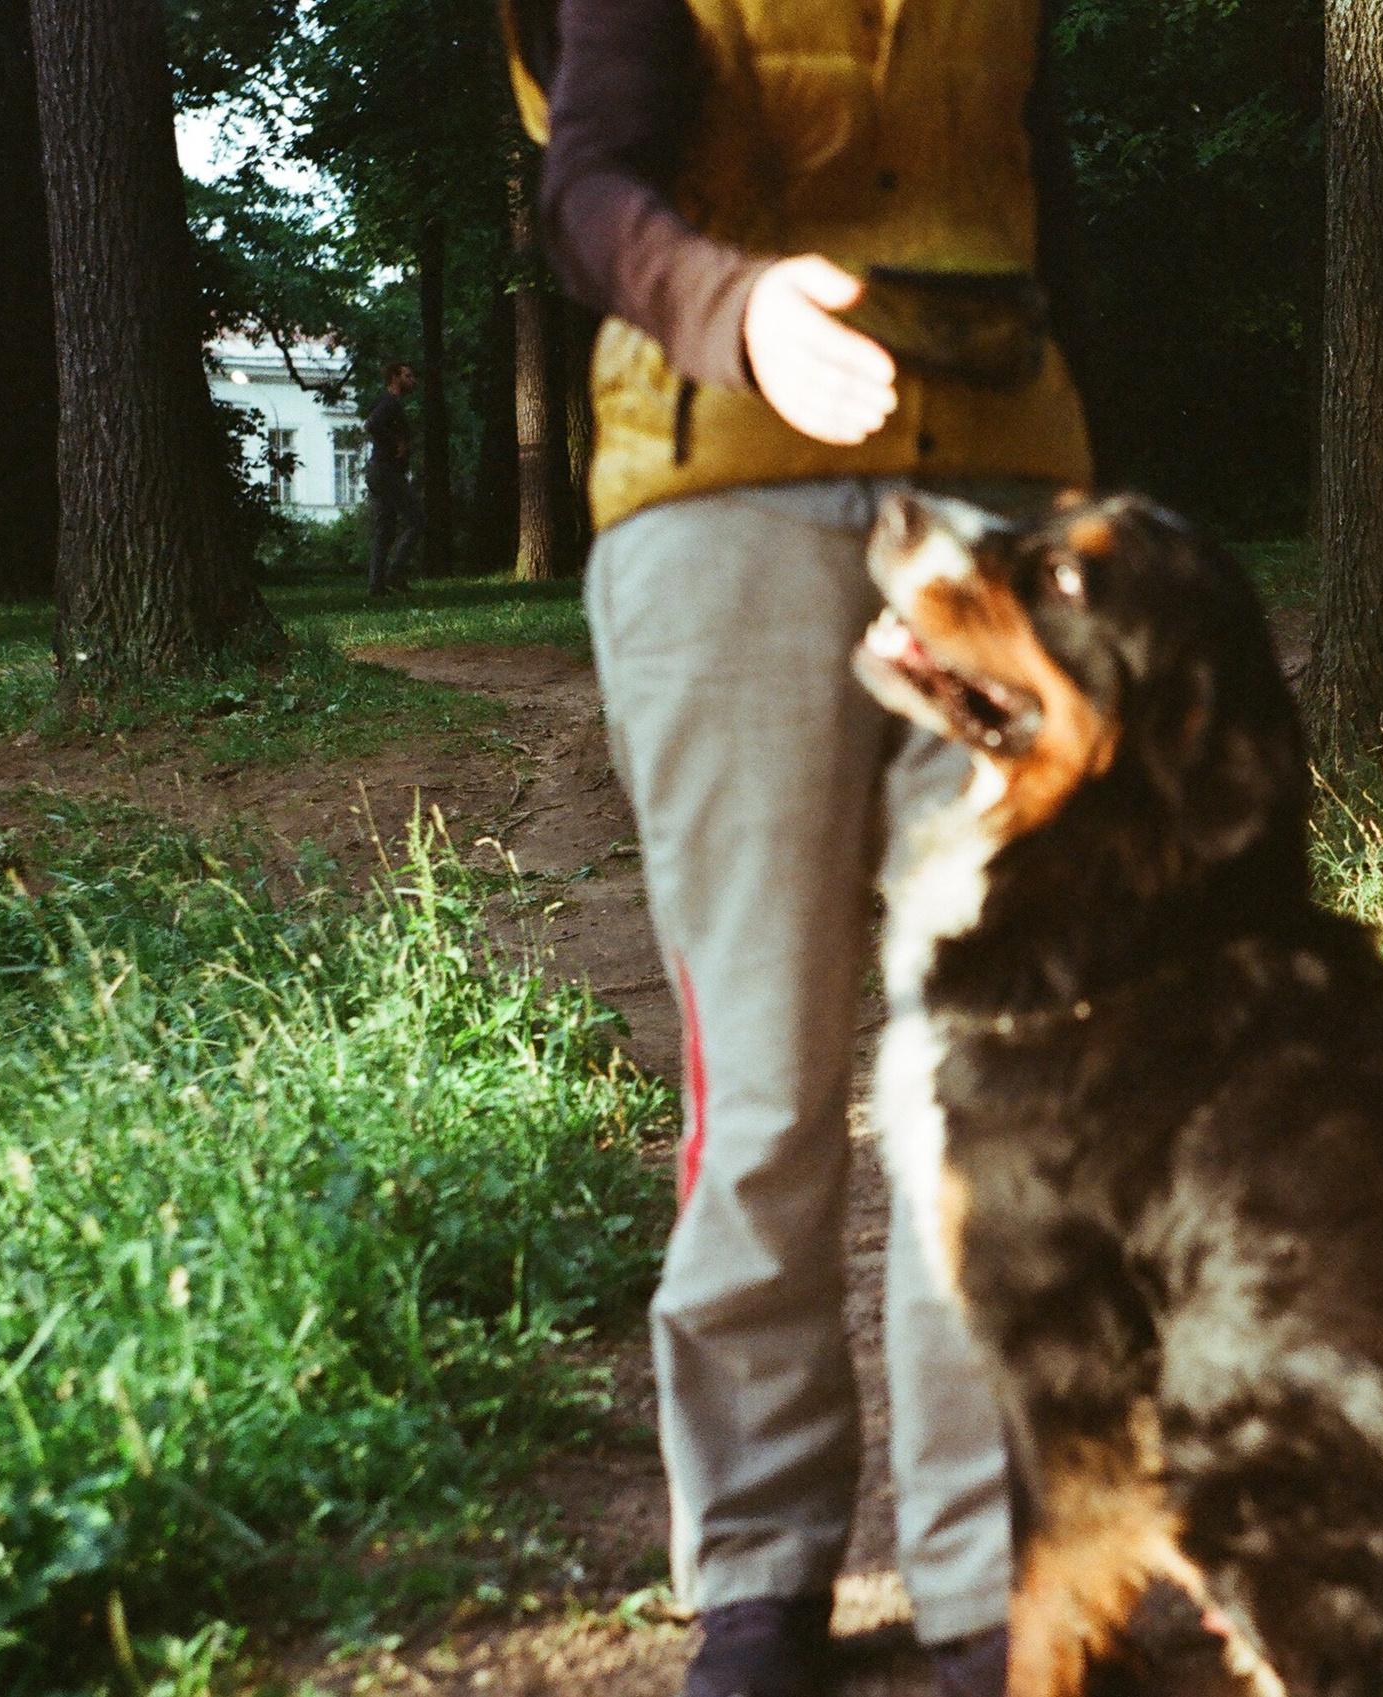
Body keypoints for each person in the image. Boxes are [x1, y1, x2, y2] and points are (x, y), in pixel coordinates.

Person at [538, 4, 1094, 1693]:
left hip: (999, 504)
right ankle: (762, 1565)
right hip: (722, 502)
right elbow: (584, 188)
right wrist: (734, 306)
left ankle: (993, 1569)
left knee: (990, 1064)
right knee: (762, 1079)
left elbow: (1034, 189)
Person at [363, 361, 423, 596]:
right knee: (417, 520)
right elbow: (373, 425)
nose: (413, 380)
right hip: (385, 471)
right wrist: (395, 442)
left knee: (385, 529)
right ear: (395, 378)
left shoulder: (387, 402)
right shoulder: (389, 402)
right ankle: (395, 573)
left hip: (379, 471)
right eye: (408, 375)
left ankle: (375, 585)